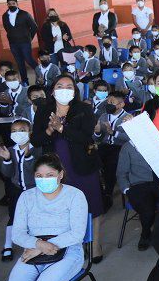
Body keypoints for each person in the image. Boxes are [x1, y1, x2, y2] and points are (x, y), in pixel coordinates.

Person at [6, 153, 88, 281]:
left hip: (69, 250)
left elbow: (77, 234)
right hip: (33, 251)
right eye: (39, 176)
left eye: (50, 174)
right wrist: (38, 245)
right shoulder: (26, 197)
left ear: (61, 174)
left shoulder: (75, 195)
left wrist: (41, 247)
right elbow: (17, 233)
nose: (44, 180)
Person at [30, 74, 105, 261]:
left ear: (75, 90)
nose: (64, 89)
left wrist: (62, 129)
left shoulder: (84, 109)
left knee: (92, 204)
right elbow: (35, 139)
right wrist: (49, 130)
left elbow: (86, 136)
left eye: (69, 86)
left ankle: (95, 245)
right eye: (60, 85)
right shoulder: (43, 110)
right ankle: (71, 244)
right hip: (55, 167)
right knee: (63, 207)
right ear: (53, 90)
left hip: (82, 164)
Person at [0, 118, 38, 262]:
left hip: (34, 191)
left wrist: (27, 157)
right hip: (16, 190)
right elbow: (7, 174)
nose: (18, 133)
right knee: (14, 216)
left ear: (30, 132)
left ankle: (33, 244)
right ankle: (7, 245)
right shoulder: (10, 151)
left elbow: (35, 171)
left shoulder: (36, 150)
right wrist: (7, 160)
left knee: (34, 217)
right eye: (14, 131)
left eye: (22, 130)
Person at [2, 0, 38, 84]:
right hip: (13, 43)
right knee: (19, 63)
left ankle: (42, 74)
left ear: (17, 4)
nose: (11, 5)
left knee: (29, 60)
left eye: (13, 3)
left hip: (25, 42)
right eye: (9, 4)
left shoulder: (25, 14)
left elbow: (34, 27)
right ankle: (25, 81)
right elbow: (7, 28)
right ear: (7, 5)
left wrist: (29, 38)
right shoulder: (5, 16)